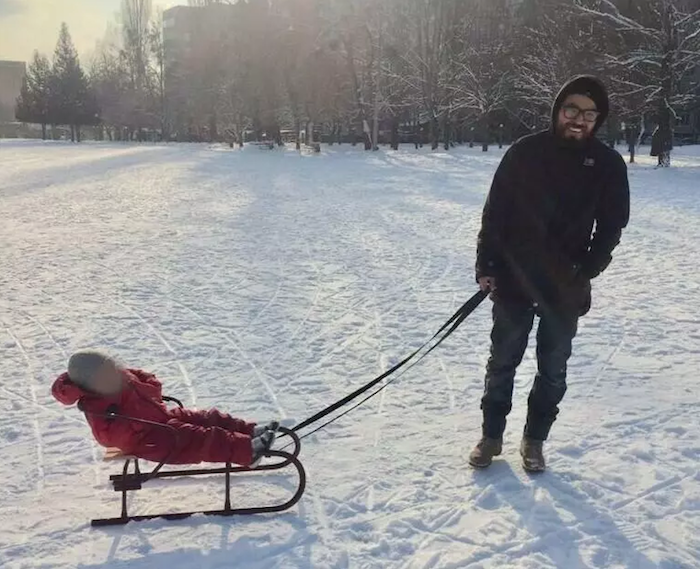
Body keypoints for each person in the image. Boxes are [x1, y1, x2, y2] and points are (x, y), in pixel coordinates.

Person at [469, 75, 630, 472]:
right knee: (503, 360)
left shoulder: (607, 164)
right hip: (514, 277)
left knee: (553, 368)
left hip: (565, 286)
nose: (579, 119)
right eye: (572, 109)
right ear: (558, 109)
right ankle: (491, 436)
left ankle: (534, 440)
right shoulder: (525, 152)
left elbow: (612, 226)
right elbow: (496, 213)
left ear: (598, 120)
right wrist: (487, 265)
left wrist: (586, 270)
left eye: (589, 114)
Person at [52, 350, 279, 467]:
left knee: (205, 417)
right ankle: (248, 451)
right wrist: (137, 420)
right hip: (146, 439)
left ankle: (250, 431)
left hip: (160, 417)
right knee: (196, 438)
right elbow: (108, 438)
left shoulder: (115, 376)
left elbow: (145, 379)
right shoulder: (96, 404)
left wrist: (151, 393)